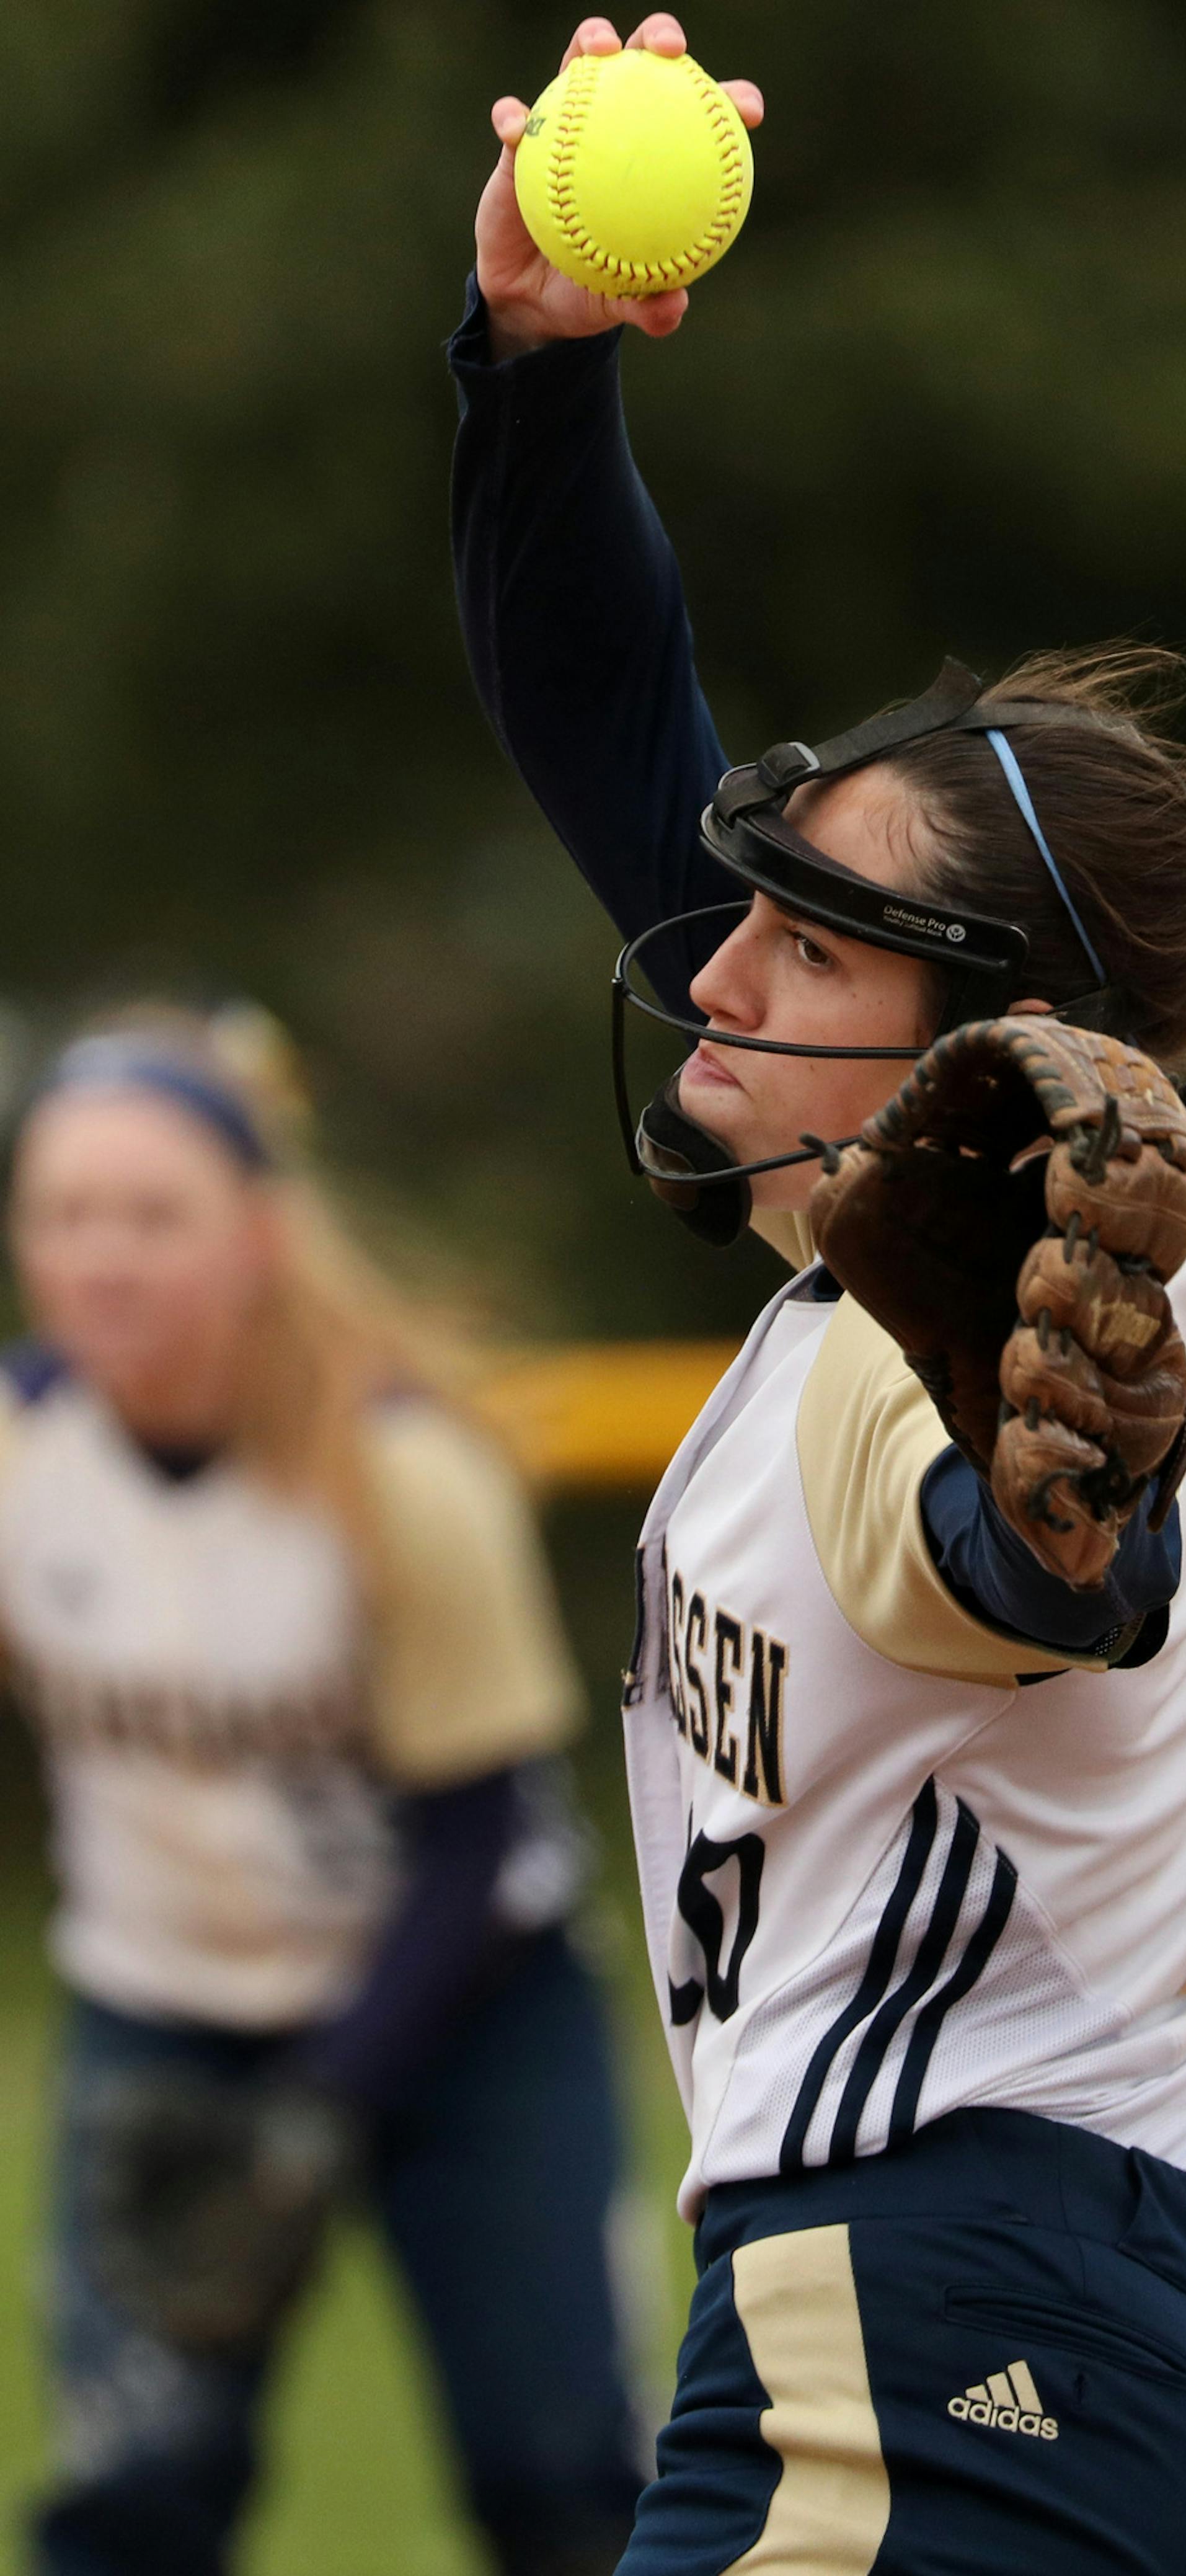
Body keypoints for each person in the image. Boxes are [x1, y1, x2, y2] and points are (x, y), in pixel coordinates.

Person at [449, 18, 1186, 2572]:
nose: (714, 959)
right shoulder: (940, 1179)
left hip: (952, 2328)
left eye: (803, 937)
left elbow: (1040, 1562)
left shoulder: (955, 1302)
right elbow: (609, 714)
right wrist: (536, 362)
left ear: (968, 1040)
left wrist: (1046, 1519)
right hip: (1183, 2305)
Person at [4, 1002, 645, 2576]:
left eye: (154, 1215)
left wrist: (320, 2112)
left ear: (260, 1235)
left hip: (465, 2013)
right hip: (161, 2011)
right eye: (66, 1214)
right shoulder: (25, 1453)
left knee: (557, 2476)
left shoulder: (398, 1470)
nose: (105, 1257)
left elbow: (472, 1836)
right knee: (134, 2490)